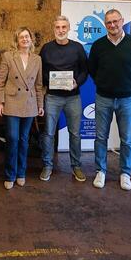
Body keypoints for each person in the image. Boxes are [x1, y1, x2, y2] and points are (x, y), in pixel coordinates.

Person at [89, 9, 131, 191]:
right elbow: (92, 69)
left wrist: (130, 84)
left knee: (127, 139)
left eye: (115, 21)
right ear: (105, 25)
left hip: (126, 99)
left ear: (122, 21)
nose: (112, 25)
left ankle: (125, 173)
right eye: (108, 22)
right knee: (100, 137)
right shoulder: (98, 45)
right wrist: (103, 83)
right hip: (103, 98)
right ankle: (100, 171)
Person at [39, 15, 88, 182]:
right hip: (52, 97)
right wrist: (51, 81)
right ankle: (47, 165)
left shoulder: (77, 48)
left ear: (69, 28)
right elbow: (41, 71)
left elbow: (85, 70)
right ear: (53, 29)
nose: (60, 30)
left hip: (73, 97)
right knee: (48, 133)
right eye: (57, 27)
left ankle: (76, 166)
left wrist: (76, 83)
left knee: (75, 133)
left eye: (63, 27)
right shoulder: (46, 48)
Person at [0, 27, 44, 189]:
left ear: (31, 39)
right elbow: (1, 81)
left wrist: (40, 105)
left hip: (29, 104)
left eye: (27, 36)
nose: (25, 39)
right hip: (11, 102)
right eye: (21, 37)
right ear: (16, 40)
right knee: (12, 138)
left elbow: (38, 85)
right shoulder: (8, 56)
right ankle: (10, 174)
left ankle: (21, 173)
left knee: (24, 140)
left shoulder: (37, 59)